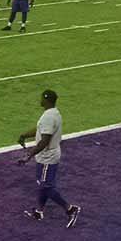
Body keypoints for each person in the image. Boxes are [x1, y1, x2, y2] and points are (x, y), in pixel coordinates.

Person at [18, 89, 80, 227]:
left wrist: (28, 156)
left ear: (46, 100)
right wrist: (24, 135)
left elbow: (44, 141)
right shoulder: (52, 113)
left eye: (42, 98)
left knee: (46, 186)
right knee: (42, 184)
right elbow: (40, 129)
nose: (40, 100)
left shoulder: (49, 117)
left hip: (48, 157)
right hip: (45, 155)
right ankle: (39, 212)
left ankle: (70, 209)